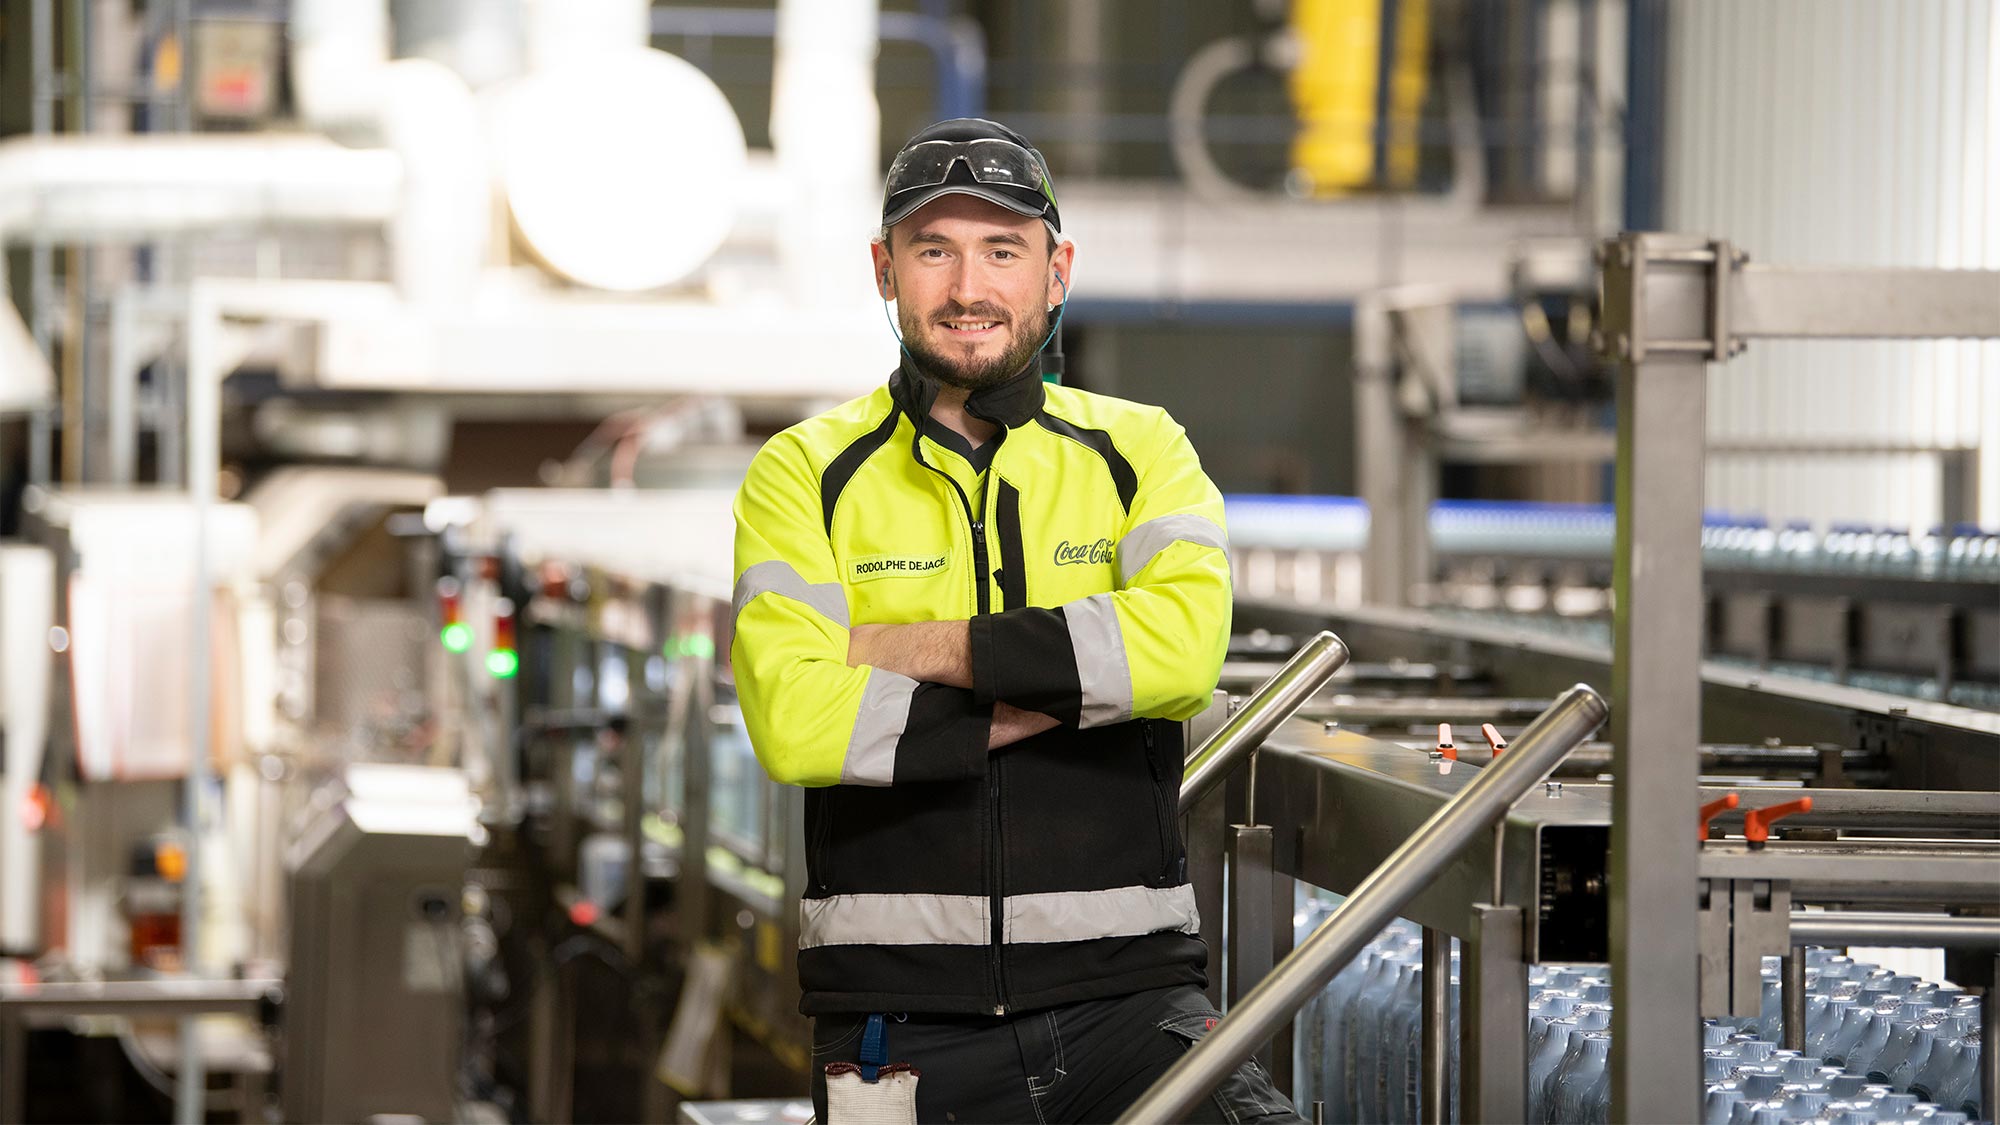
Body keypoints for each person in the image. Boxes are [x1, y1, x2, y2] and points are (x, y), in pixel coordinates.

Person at [731, 118, 1301, 1123]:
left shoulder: (1139, 452)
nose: (966, 288)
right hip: (889, 1034)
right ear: (883, 268)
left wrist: (899, 653)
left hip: (1131, 1007)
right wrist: (1073, 683)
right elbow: (793, 718)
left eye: (1002, 251)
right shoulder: (803, 475)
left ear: (1056, 271)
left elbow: (1177, 656)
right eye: (932, 250)